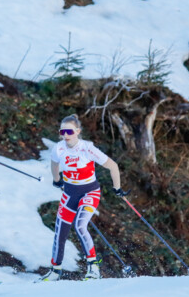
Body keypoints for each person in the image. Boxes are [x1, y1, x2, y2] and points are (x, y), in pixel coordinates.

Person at [41, 114, 127, 281]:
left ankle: (93, 267)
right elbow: (54, 163)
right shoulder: (58, 148)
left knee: (80, 225)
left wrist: (117, 188)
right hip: (70, 193)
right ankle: (55, 270)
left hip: (90, 192)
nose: (65, 135)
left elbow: (113, 166)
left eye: (69, 131)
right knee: (60, 232)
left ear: (78, 131)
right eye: (62, 131)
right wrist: (57, 180)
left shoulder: (87, 149)